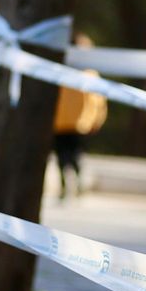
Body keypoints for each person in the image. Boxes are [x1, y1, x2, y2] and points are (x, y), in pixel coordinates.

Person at [51, 32, 107, 199]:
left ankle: (73, 184)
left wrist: (96, 119)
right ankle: (69, 185)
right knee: (68, 156)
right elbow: (98, 101)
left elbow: (98, 101)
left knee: (70, 156)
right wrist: (97, 120)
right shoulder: (87, 73)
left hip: (71, 123)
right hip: (70, 123)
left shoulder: (67, 71)